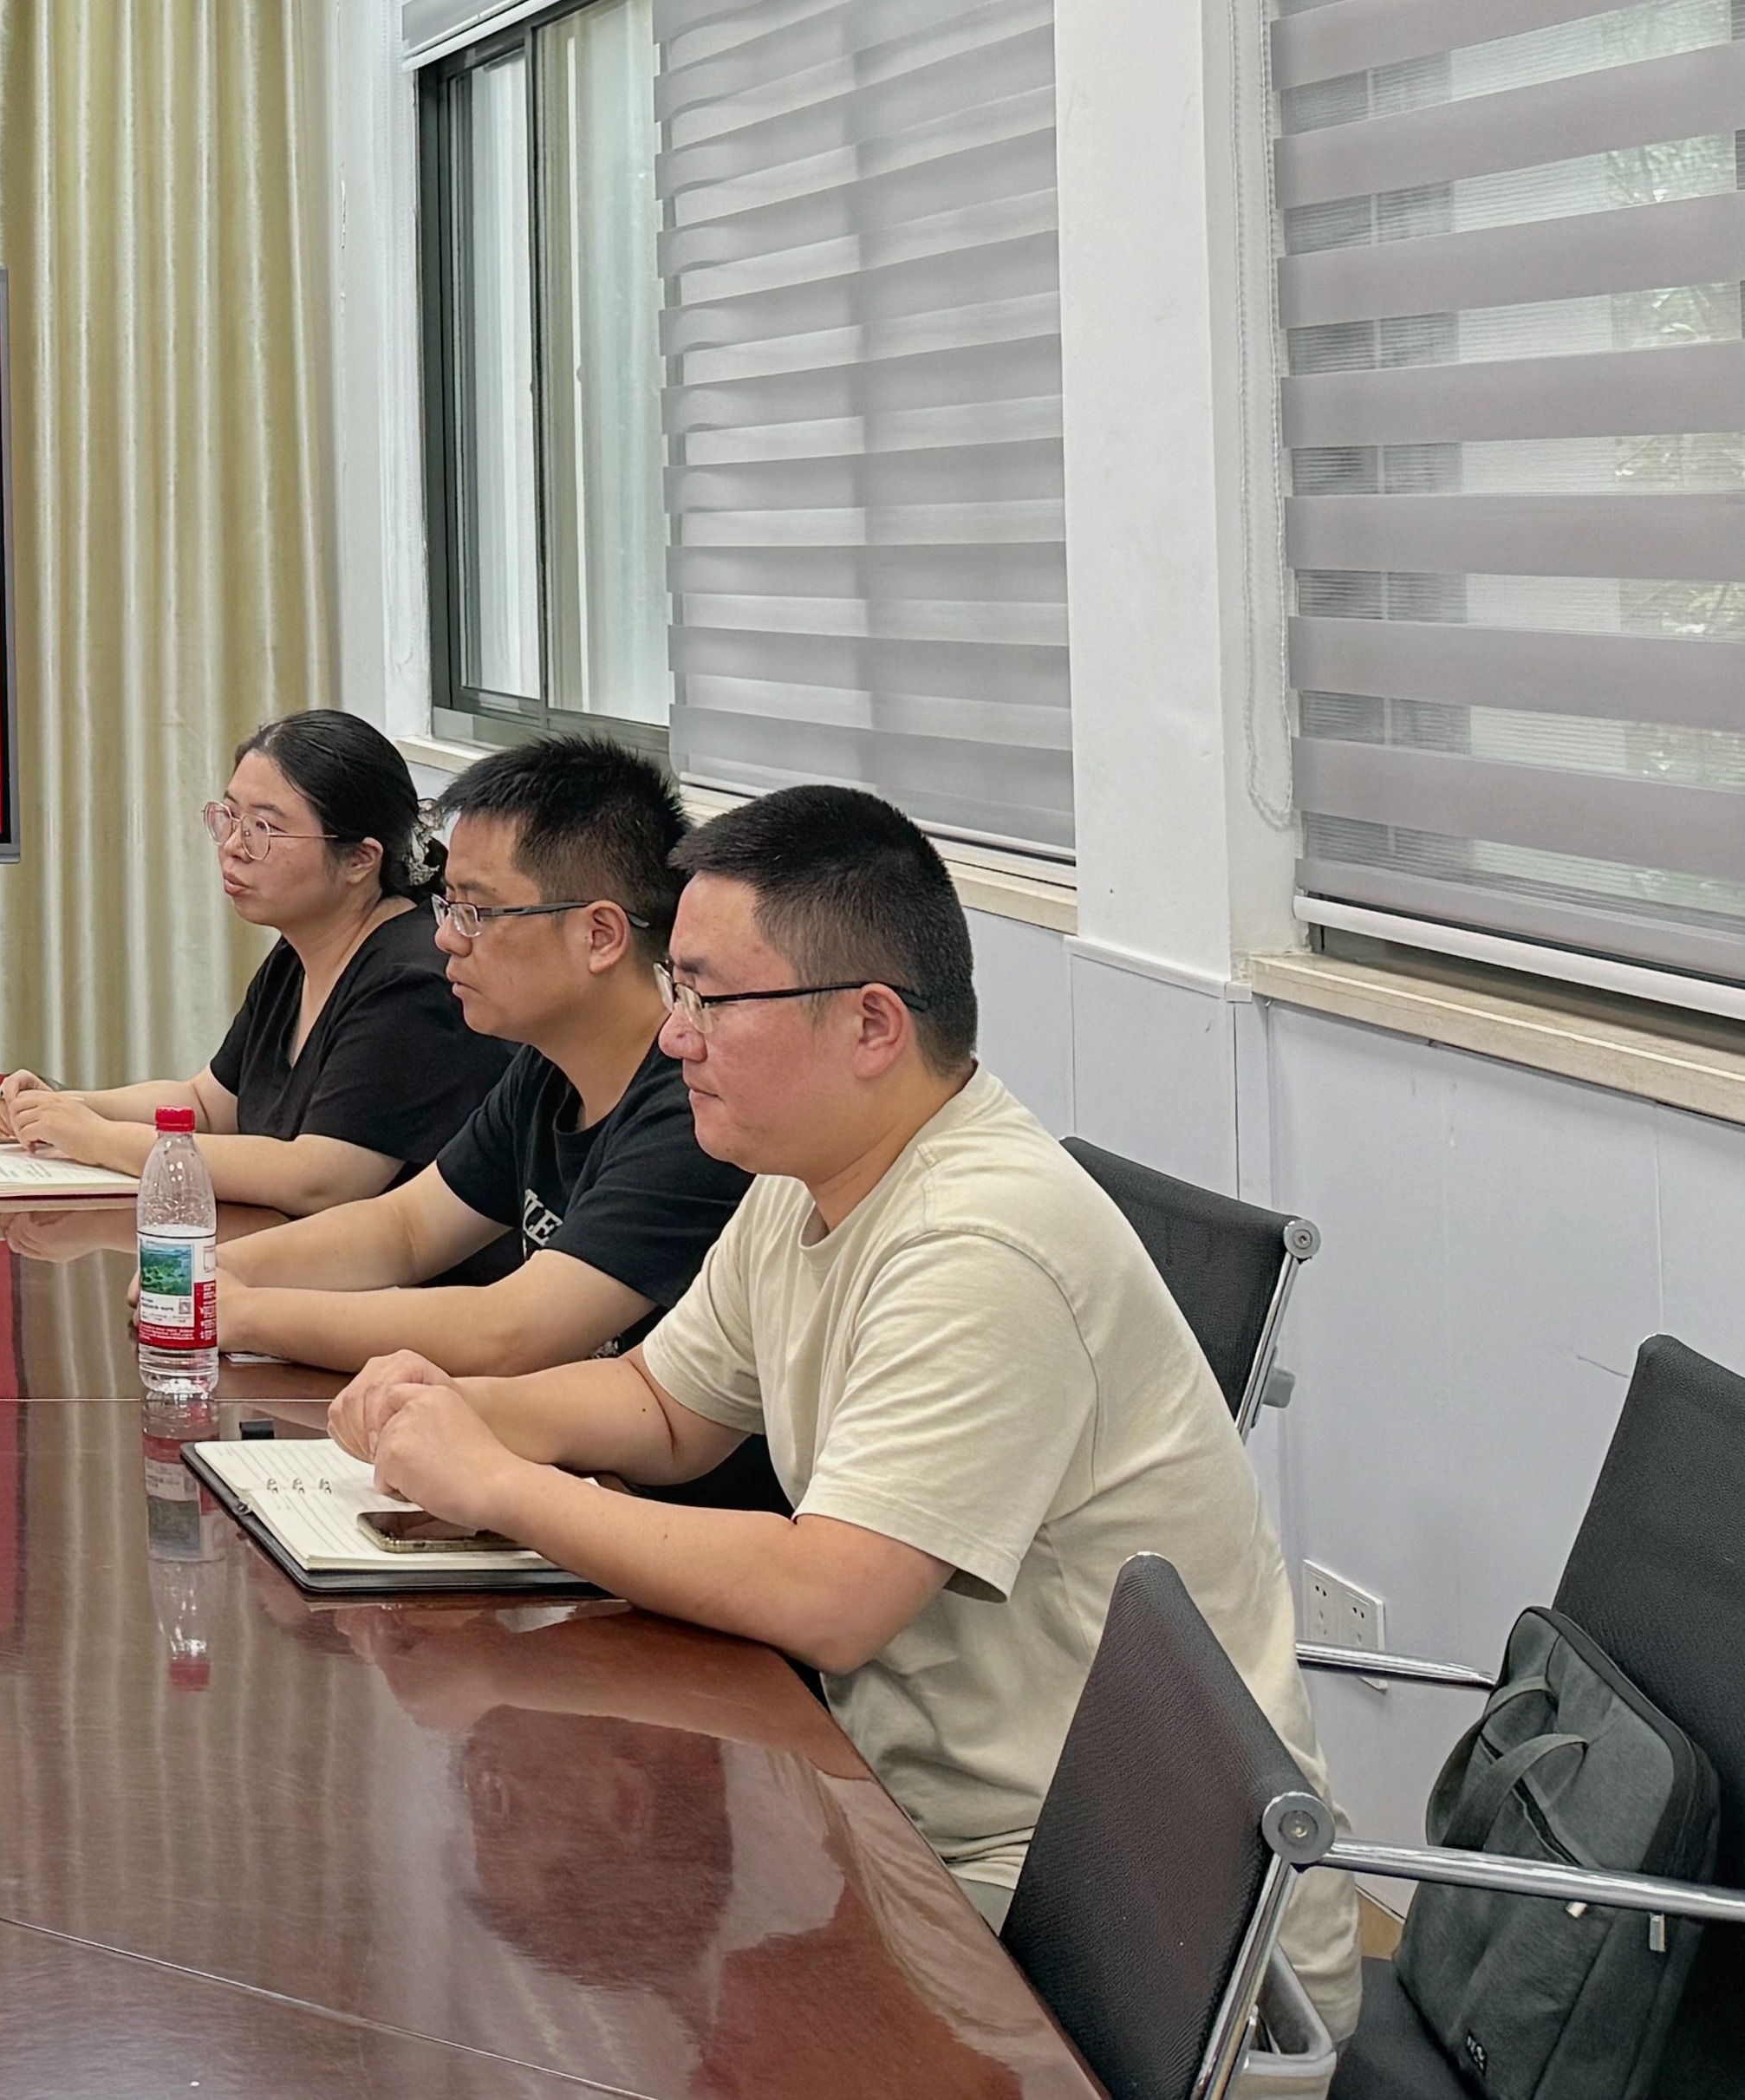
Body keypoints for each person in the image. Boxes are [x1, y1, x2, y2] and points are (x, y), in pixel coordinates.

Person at [325, 784, 1358, 2037]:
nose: (673, 1035)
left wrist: (499, 1483)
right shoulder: (807, 1167)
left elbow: (831, 1596)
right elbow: (667, 1402)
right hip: (915, 1824)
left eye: (711, 997)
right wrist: (460, 1406)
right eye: (677, 988)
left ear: (871, 1022)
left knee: (612, 2001)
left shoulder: (979, 1242)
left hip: (1110, 1919)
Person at [211, 738, 753, 1388]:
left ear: (600, 935)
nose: (445, 937)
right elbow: (406, 1229)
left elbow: (507, 1332)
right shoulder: (549, 1067)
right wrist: (216, 1271)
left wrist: (241, 1313)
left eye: (477, 911)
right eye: (449, 905)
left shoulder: (694, 1108)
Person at [0, 710, 509, 1216]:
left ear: (359, 859)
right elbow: (208, 1105)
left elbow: (322, 1179)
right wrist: (63, 1108)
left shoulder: (414, 981)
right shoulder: (300, 949)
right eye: (230, 818)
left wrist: (97, 1139)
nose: (233, 847)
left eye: (262, 828)